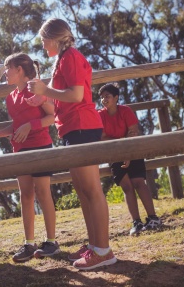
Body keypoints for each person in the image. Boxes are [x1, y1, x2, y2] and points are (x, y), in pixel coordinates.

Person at [27, 18, 117, 271]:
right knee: (82, 190)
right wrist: (42, 96)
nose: (43, 45)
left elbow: (77, 95)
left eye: (44, 40)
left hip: (82, 126)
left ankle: (103, 250)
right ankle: (94, 245)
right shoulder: (63, 59)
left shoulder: (72, 57)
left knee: (92, 189)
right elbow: (62, 94)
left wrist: (46, 90)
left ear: (55, 38)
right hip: (71, 128)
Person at [0, 53, 59, 263]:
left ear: (19, 70)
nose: (5, 73)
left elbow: (53, 116)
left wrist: (32, 125)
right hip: (19, 150)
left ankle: (51, 241)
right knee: (26, 194)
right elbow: (17, 124)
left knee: (43, 192)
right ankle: (29, 244)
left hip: (40, 146)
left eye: (7, 68)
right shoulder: (11, 97)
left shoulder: (36, 87)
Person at [98, 83, 161, 236]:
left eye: (107, 96)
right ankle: (136, 222)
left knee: (139, 182)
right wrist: (120, 148)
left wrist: (127, 153)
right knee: (126, 186)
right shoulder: (99, 115)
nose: (104, 100)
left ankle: (153, 218)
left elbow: (133, 132)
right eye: (101, 97)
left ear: (116, 98)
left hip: (133, 150)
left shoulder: (125, 111)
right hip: (114, 155)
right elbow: (102, 138)